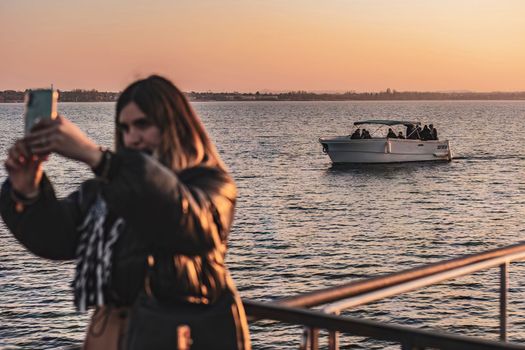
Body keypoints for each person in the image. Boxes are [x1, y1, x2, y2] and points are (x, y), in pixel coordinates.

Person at [0, 75, 251, 349]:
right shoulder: (106, 191)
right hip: (110, 335)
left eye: (142, 125)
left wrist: (99, 158)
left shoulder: (211, 184)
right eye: (125, 128)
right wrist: (27, 192)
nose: (132, 138)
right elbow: (58, 238)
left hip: (174, 337)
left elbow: (191, 223)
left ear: (173, 126)